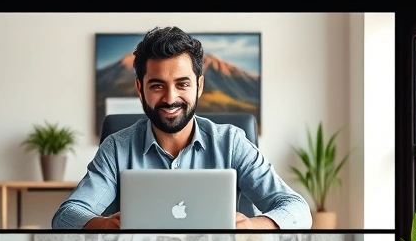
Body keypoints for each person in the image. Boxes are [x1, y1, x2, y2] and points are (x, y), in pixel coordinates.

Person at [52, 26, 311, 230]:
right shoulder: (116, 148)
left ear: (199, 86)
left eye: (182, 84)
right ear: (140, 89)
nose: (170, 98)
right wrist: (105, 225)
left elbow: (297, 209)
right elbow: (66, 215)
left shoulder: (231, 143)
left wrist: (255, 226)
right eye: (157, 86)